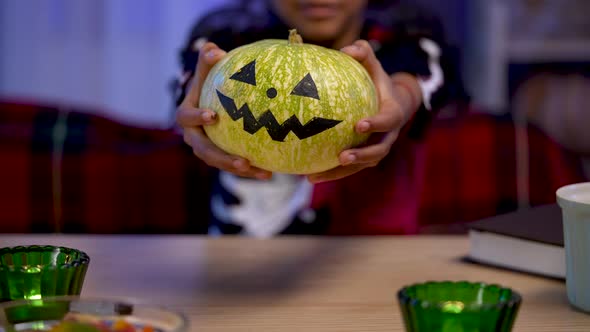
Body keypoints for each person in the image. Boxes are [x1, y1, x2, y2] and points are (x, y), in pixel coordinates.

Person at [174, 0, 467, 236]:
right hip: (239, 256)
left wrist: (399, 104)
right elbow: (197, 79)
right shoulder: (226, 33)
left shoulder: (407, 30)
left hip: (373, 254)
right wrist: (195, 100)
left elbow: (419, 78)